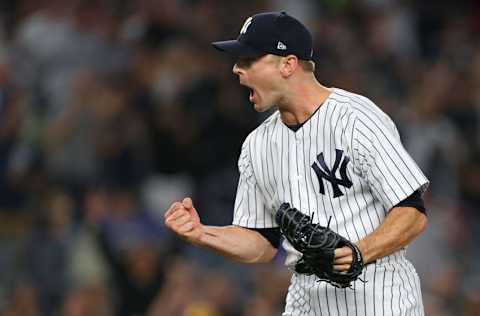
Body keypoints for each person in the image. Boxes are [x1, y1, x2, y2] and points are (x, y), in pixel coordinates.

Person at [164, 11, 429, 315]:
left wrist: (358, 252)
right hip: (307, 295)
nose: (237, 69)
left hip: (378, 293)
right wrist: (202, 233)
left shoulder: (356, 119)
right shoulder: (257, 145)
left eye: (248, 60)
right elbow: (262, 243)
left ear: (288, 64)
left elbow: (412, 212)